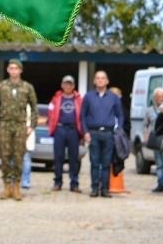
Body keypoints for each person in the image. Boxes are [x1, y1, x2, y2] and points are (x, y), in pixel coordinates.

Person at [0, 60, 36, 200]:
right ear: (8, 70)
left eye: (16, 68)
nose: (14, 71)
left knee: (18, 157)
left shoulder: (27, 87)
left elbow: (34, 107)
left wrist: (31, 126)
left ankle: (16, 186)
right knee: (4, 156)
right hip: (4, 124)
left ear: (20, 70)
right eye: (11, 68)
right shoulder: (1, 86)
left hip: (20, 125)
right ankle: (6, 186)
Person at [80, 70, 122, 198]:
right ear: (94, 81)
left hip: (108, 134)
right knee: (94, 162)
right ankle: (94, 188)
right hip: (93, 133)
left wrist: (118, 130)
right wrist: (85, 132)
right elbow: (83, 116)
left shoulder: (113, 98)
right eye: (97, 78)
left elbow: (120, 115)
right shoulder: (88, 97)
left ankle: (105, 189)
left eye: (103, 78)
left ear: (107, 81)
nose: (100, 80)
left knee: (106, 163)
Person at [47, 75, 83, 192]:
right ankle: (58, 182)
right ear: (62, 85)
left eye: (70, 84)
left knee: (74, 158)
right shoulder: (56, 98)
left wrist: (81, 131)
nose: (68, 86)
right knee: (58, 157)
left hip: (73, 130)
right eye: (66, 84)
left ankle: (74, 183)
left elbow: (83, 115)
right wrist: (52, 127)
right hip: (60, 129)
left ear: (73, 86)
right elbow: (50, 112)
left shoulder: (78, 99)